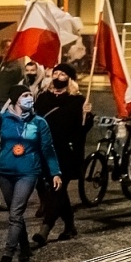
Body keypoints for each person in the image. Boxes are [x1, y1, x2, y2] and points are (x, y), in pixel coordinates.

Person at [0, 87, 62, 262]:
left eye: (30, 95)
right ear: (15, 100)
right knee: (15, 213)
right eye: (25, 95)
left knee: (15, 213)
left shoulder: (39, 122)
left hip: (28, 173)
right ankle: (25, 246)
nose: (29, 98)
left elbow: (48, 149)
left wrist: (55, 172)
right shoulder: (3, 119)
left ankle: (8, 253)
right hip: (4, 172)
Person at [34, 63, 89, 243]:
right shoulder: (43, 97)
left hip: (66, 151)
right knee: (59, 192)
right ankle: (70, 226)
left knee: (57, 190)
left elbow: (81, 130)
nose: (57, 76)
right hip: (47, 150)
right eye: (55, 72)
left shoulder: (77, 100)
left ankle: (45, 228)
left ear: (70, 78)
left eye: (62, 74)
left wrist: (87, 117)